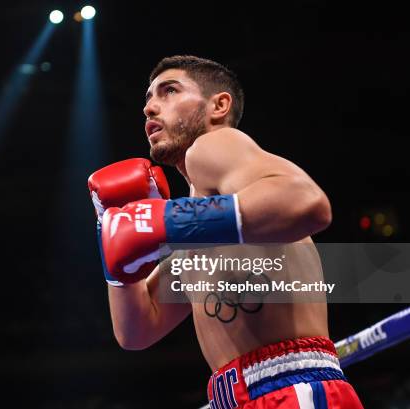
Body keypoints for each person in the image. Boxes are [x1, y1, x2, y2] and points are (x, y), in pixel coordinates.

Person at [88, 55, 364, 408]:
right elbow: (136, 331)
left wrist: (163, 220)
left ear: (218, 105)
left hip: (289, 389)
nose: (150, 108)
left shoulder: (214, 146)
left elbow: (308, 202)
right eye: (147, 99)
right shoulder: (196, 228)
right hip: (239, 397)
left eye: (169, 91)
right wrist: (114, 245)